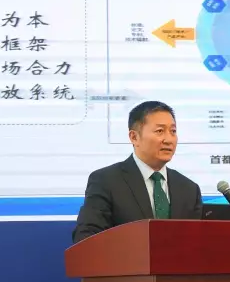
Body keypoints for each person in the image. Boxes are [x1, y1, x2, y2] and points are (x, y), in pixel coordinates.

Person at [72, 100, 203, 243]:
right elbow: (86, 238)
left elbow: (198, 243)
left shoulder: (189, 189)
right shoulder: (106, 181)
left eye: (173, 131)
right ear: (134, 137)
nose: (169, 139)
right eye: (160, 131)